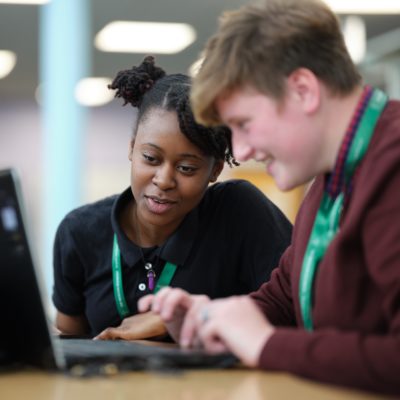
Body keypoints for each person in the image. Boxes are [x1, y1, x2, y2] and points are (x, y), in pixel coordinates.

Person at [138, 0, 400, 395]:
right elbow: (283, 300)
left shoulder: (391, 166)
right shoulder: (330, 181)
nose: (240, 152)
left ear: (302, 90)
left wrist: (265, 345)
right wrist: (210, 318)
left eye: (243, 124)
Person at [52, 56, 292, 340]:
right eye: (150, 158)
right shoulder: (79, 231)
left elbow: (297, 309)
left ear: (215, 169)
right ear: (132, 149)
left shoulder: (240, 213)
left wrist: (182, 320)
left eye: (187, 168)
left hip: (215, 385)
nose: (164, 180)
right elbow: (69, 339)